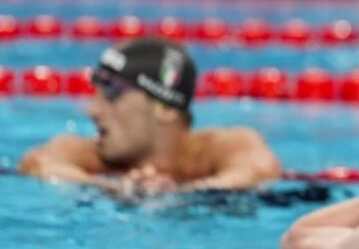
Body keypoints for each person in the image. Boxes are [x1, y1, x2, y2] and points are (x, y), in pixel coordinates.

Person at [18, 37, 280, 194]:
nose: (92, 110)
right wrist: (114, 189)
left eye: (113, 93)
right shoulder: (90, 156)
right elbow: (39, 163)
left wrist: (175, 196)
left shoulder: (220, 149)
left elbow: (256, 172)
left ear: (165, 108)